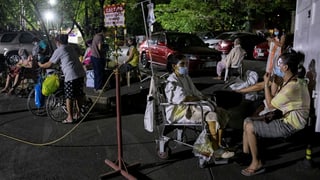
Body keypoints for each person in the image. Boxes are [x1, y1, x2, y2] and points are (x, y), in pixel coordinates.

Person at [240, 51, 310, 176]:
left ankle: (257, 163)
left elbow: (271, 103)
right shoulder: (292, 81)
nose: (276, 67)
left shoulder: (292, 87)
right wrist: (274, 83)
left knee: (250, 127)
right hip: (285, 117)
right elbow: (274, 98)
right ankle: (246, 155)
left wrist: (266, 84)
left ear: (285, 67)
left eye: (279, 64)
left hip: (291, 125)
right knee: (246, 120)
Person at [165, 55, 234, 159]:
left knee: (222, 112)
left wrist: (202, 97)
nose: (185, 66)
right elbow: (184, 99)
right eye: (182, 64)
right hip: (181, 110)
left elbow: (195, 92)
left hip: (192, 105)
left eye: (186, 63)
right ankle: (216, 150)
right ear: (174, 66)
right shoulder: (172, 82)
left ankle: (219, 144)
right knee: (212, 116)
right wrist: (199, 99)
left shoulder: (185, 77)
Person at [38, 34, 86, 124]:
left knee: (69, 96)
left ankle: (70, 117)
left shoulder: (59, 50)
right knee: (79, 94)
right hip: (80, 73)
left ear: (58, 42)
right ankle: (78, 114)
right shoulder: (70, 47)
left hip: (71, 75)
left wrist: (40, 65)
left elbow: (49, 64)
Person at [91, 28, 109, 93]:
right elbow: (100, 47)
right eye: (106, 32)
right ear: (102, 31)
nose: (106, 34)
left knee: (96, 73)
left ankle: (96, 87)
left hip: (93, 56)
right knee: (99, 73)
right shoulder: (100, 37)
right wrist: (105, 50)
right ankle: (99, 88)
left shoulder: (95, 36)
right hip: (98, 57)